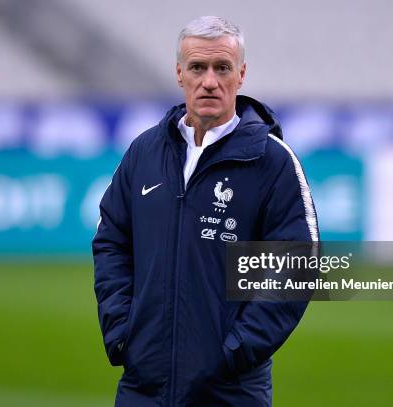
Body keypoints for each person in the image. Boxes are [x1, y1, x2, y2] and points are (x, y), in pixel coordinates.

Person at [93, 15, 319, 406]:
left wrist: (236, 351)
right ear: (179, 73)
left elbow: (296, 265)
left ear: (241, 75)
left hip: (230, 391)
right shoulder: (144, 153)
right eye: (197, 67)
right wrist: (121, 332)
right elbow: (111, 240)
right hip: (143, 386)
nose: (209, 81)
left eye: (222, 68)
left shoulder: (272, 161)